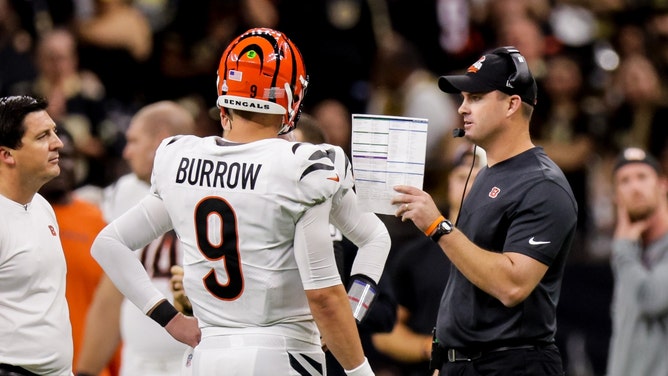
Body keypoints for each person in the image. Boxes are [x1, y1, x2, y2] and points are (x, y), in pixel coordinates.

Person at [90, 28, 375, 375]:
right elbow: (325, 296)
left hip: (207, 354)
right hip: (281, 352)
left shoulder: (180, 159)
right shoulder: (303, 167)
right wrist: (360, 367)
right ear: (292, 96)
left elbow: (109, 244)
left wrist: (171, 320)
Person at [392, 46, 578, 375]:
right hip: (465, 363)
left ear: (512, 104)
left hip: (511, 364)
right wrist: (446, 354)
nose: (462, 108)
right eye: (463, 98)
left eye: (476, 98)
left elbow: (512, 285)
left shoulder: (543, 186)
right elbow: (466, 284)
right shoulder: (486, 176)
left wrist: (437, 226)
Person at [76, 101, 198, 376]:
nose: (126, 152)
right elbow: (112, 290)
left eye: (133, 140)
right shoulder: (124, 191)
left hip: (196, 356)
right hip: (139, 360)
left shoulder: (208, 186)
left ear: (161, 140)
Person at [372, 145, 484, 376]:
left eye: (479, 179)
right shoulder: (415, 255)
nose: (470, 186)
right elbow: (385, 332)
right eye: (463, 177)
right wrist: (431, 348)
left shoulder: (506, 252)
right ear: (449, 181)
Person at [37, 128, 121, 376]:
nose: (63, 164)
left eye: (70, 156)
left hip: (92, 368)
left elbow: (114, 304)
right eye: (53, 155)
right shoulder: (12, 217)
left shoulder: (99, 221)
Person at [0, 95, 72, 375]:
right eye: (43, 136)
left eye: (54, 131)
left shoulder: (41, 205)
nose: (58, 143)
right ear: (7, 154)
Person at [606, 147, 668, 376]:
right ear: (615, 196)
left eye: (642, 177)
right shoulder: (630, 254)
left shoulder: (624, 252)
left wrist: (622, 247)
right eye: (624, 181)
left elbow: (652, 299)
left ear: (662, 185)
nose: (635, 188)